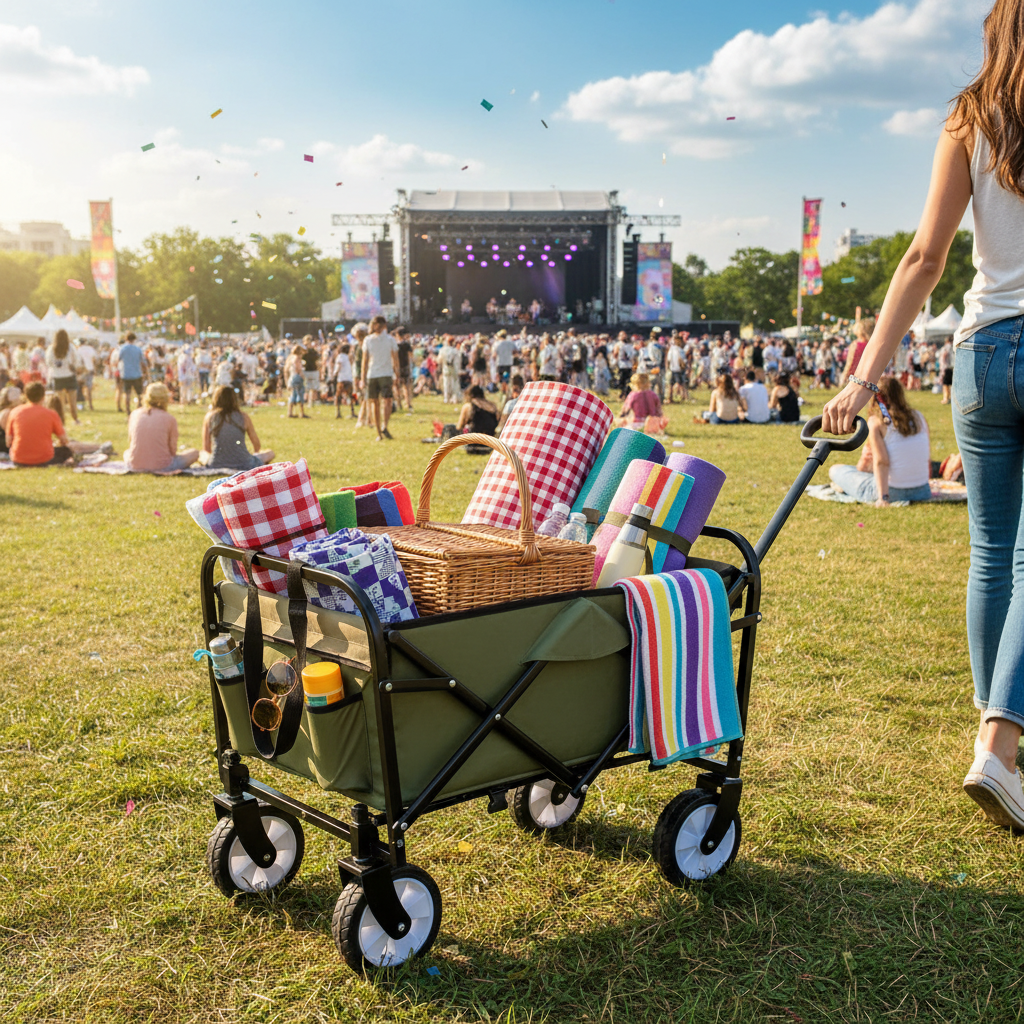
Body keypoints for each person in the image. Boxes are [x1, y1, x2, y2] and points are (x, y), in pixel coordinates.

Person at [823, 0, 1024, 832]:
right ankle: (1001, 745)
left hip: (981, 350)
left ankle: (992, 728)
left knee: (993, 551)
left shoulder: (969, 116)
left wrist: (864, 379)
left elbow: (924, 258)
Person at [828, 377, 931, 506]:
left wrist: (883, 498)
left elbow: (881, 461)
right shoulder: (919, 417)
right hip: (923, 490)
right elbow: (925, 456)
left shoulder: (876, 422)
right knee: (855, 471)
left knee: (836, 470)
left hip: (892, 491)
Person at [123, 383, 199, 472]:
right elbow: (172, 451)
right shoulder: (169, 419)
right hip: (163, 466)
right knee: (195, 453)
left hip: (135, 465)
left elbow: (131, 441)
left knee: (127, 452)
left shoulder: (135, 414)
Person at [202, 384, 274, 470]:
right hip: (244, 462)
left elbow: (206, 448)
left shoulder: (210, 417)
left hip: (217, 462)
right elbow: (257, 445)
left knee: (201, 454)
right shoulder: (243, 417)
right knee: (270, 453)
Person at [5, 381, 73, 466]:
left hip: (19, 459)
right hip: (44, 459)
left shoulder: (14, 412)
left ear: (25, 396)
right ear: (43, 396)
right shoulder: (51, 414)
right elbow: (64, 440)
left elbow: (8, 441)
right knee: (67, 451)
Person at [360, 314, 400, 441]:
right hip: (384, 374)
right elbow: (395, 359)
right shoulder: (389, 340)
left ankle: (380, 431)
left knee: (375, 403)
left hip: (374, 374)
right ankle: (383, 426)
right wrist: (397, 374)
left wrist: (362, 378)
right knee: (385, 401)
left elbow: (365, 361)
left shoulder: (370, 340)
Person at [46, 329, 81, 425]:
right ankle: (75, 419)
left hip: (57, 376)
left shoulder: (51, 348)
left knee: (60, 403)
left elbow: (48, 362)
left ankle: (62, 421)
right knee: (72, 402)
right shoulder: (70, 347)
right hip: (69, 375)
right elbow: (76, 360)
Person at [119, 332, 147, 415]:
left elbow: (119, 359)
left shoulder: (123, 349)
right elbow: (142, 361)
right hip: (137, 373)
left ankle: (128, 409)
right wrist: (145, 371)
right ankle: (139, 408)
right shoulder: (138, 349)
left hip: (126, 373)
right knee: (139, 393)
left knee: (127, 393)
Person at [394, 326, 414, 413]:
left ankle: (399, 403)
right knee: (406, 386)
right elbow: (411, 356)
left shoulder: (394, 344)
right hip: (405, 366)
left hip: (396, 367)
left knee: (396, 386)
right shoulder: (406, 344)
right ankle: (408, 403)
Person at [284, 346, 307, 419]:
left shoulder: (290, 358)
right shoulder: (297, 358)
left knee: (293, 395)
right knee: (300, 394)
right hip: (297, 377)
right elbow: (298, 368)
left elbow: (286, 370)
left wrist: (287, 380)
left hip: (292, 377)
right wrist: (302, 375)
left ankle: (290, 412)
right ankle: (302, 413)